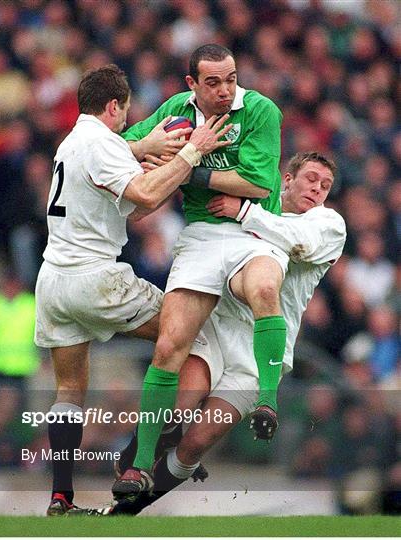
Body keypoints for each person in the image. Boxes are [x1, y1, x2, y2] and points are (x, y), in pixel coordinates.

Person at [34, 63, 231, 516]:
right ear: (112, 106)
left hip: (54, 281)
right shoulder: (102, 142)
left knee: (69, 390)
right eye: (124, 112)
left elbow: (129, 196)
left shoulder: (72, 143)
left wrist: (145, 150)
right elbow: (143, 195)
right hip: (96, 278)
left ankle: (61, 499)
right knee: (191, 340)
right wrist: (190, 154)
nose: (126, 119)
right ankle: (137, 458)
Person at [104, 152, 346, 515]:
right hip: (217, 327)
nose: (317, 189)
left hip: (260, 351)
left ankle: (132, 507)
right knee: (179, 407)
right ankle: (136, 461)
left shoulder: (328, 223)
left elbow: (297, 240)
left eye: (325, 186)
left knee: (198, 441)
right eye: (311, 178)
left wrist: (244, 212)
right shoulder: (257, 199)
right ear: (287, 179)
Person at [116, 43, 286, 498]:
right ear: (192, 84)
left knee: (265, 287)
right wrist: (152, 150)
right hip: (202, 237)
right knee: (170, 344)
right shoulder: (176, 110)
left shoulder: (259, 110)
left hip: (253, 234)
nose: (224, 90)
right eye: (212, 82)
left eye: (230, 79)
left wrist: (185, 168)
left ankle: (268, 401)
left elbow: (258, 183)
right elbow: (124, 148)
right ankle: (138, 466)